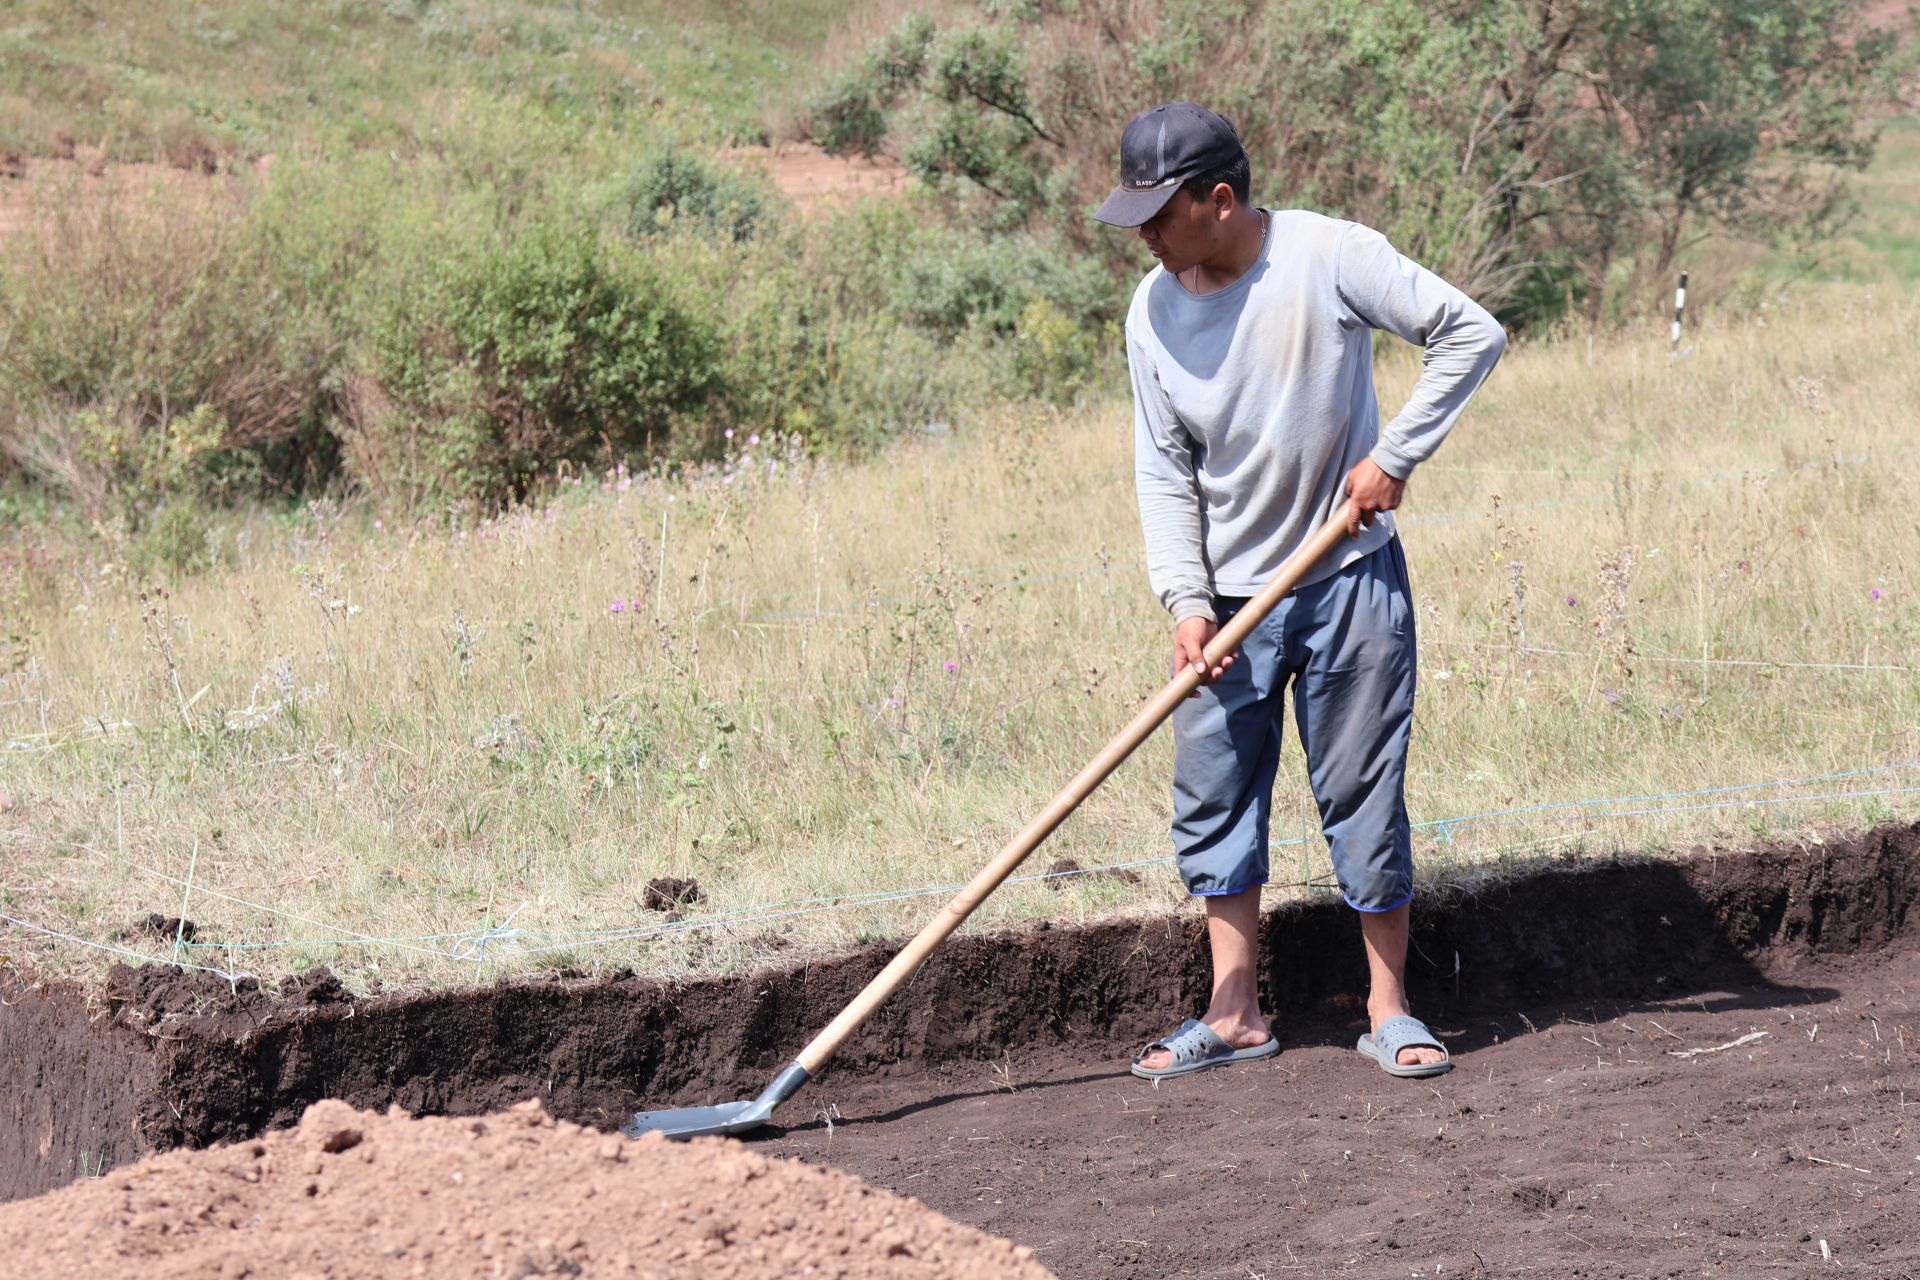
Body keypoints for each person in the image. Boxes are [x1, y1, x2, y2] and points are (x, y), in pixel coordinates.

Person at [1093, 102, 1506, 1080]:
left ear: (1221, 198)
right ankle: (1233, 1013)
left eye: (1161, 213)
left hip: (1349, 581)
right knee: (1215, 798)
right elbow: (1163, 468)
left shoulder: (1327, 257)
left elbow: (1470, 332)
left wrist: (1394, 456)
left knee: (1362, 793)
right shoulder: (1151, 312)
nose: (1145, 236)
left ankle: (1389, 1007)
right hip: (1230, 606)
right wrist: (1187, 603)